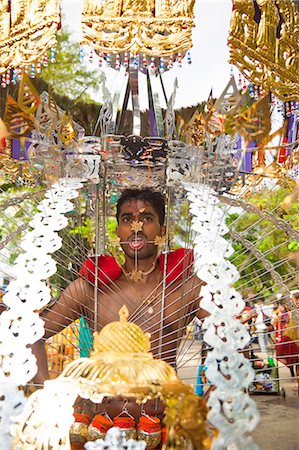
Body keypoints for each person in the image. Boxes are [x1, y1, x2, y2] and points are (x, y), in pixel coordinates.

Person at [32, 188, 207, 384]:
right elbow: (31, 336)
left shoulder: (188, 288)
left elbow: (230, 339)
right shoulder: (90, 289)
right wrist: (44, 396)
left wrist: (216, 399)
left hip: (165, 411)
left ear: (162, 231)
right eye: (127, 220)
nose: (136, 227)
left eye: (147, 219)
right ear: (118, 231)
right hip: (100, 412)